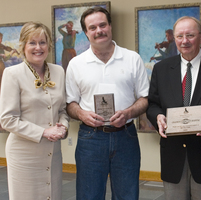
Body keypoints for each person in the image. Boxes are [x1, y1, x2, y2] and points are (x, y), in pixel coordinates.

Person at [146, 16, 201, 200]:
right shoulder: (161, 69)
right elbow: (153, 104)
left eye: (190, 35)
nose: (184, 41)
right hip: (173, 156)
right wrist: (158, 117)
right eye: (179, 36)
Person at [65, 7, 149, 200]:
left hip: (125, 136)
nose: (98, 31)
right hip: (90, 138)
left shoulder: (132, 58)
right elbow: (70, 103)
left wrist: (128, 113)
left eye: (102, 25)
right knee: (89, 195)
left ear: (110, 26)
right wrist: (81, 114)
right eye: (92, 27)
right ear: (86, 33)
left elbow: (145, 98)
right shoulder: (76, 64)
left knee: (127, 195)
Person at [0, 22, 69, 200]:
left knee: (52, 196)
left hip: (52, 153)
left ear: (49, 46)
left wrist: (63, 127)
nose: (38, 47)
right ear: (23, 46)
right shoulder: (12, 74)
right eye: (32, 43)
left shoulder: (58, 71)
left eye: (42, 42)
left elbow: (62, 109)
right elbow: (7, 119)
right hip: (24, 154)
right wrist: (44, 132)